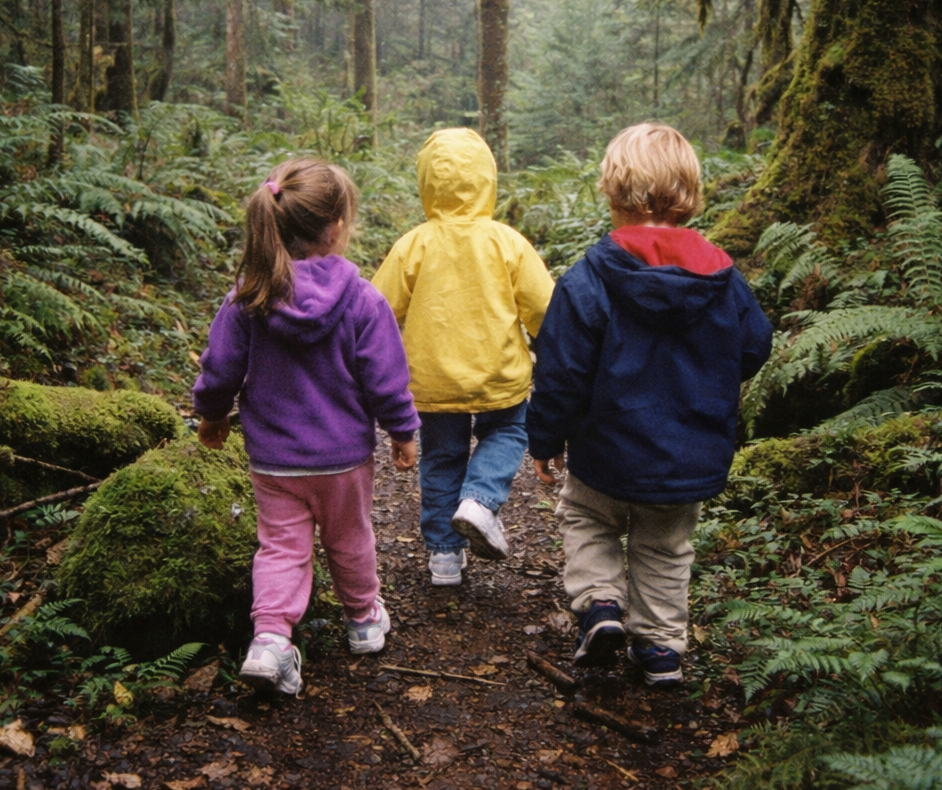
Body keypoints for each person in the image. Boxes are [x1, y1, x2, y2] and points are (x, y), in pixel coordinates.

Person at [527, 123, 773, 684]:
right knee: (665, 548)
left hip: (605, 449)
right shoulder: (723, 276)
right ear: (689, 195)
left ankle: (600, 607)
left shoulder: (591, 276)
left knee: (588, 518)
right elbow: (755, 344)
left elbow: (560, 370)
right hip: (687, 454)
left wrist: (544, 439)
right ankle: (661, 649)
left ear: (613, 193)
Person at [193, 159, 419, 696]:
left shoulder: (248, 298)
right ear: (337, 227)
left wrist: (213, 414)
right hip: (342, 457)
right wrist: (403, 432)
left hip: (273, 459)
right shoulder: (363, 300)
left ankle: (270, 639)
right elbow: (386, 377)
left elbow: (219, 367)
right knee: (349, 537)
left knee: (280, 548)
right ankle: (364, 620)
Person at [372, 128, 554, 586]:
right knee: (511, 430)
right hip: (499, 375)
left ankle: (444, 558)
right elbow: (545, 310)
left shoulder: (413, 244)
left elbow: (376, 309)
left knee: (441, 457)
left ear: (426, 183)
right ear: (488, 178)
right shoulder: (506, 241)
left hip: (432, 382)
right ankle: (479, 500)